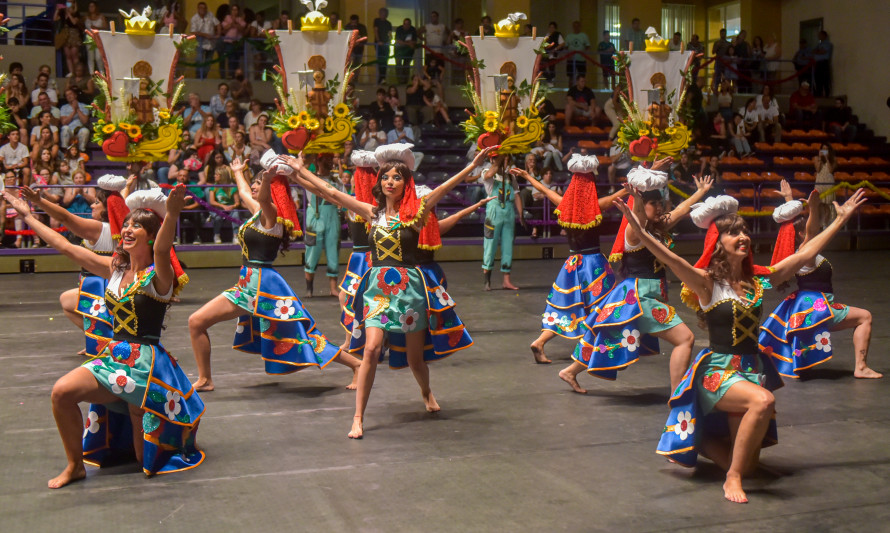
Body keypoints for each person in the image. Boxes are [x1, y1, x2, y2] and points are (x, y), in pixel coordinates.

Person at [643, 190, 867, 503]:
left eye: (744, 230)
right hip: (718, 374)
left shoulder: (758, 280)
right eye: (733, 232)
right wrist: (640, 231)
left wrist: (840, 221)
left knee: (750, 466)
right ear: (717, 242)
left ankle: (703, 439)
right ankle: (730, 479)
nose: (743, 236)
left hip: (750, 371)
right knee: (762, 402)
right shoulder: (707, 283)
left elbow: (804, 255)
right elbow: (672, 259)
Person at [284, 143, 495, 439]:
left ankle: (426, 392)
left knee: (414, 359)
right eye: (385, 177)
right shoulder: (371, 213)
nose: (389, 182)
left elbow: (446, 187)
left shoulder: (416, 212)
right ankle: (358, 417)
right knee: (371, 348)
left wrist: (473, 165)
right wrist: (300, 169)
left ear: (405, 183)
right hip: (378, 291)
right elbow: (332, 193)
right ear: (378, 182)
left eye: (396, 178)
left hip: (409, 291)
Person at [3, 186, 204, 488]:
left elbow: (163, 250)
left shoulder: (158, 277)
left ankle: (144, 424)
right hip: (113, 358)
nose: (126, 229)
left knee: (142, 460)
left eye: (136, 225)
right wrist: (30, 215)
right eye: (126, 224)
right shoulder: (114, 269)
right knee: (61, 393)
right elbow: (67, 247)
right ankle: (75, 466)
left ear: (150, 235)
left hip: (145, 368)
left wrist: (172, 214)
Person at [188, 155, 359, 392]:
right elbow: (245, 193)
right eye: (256, 182)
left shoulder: (272, 216)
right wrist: (238, 171)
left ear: (272, 189)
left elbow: (265, 199)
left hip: (263, 287)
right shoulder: (259, 212)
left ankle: (356, 365)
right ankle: (205, 379)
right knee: (196, 322)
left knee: (302, 335)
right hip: (247, 286)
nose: (255, 186)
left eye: (259, 183)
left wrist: (268, 180)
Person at [560, 164, 711, 393]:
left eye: (660, 203)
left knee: (610, 335)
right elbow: (639, 218)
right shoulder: (635, 231)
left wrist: (701, 192)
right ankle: (678, 393)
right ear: (641, 205)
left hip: (645, 296)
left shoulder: (658, 227)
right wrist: (638, 198)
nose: (659, 207)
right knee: (685, 339)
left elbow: (681, 210)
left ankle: (570, 371)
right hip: (640, 298)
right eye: (654, 203)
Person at [512, 154, 626, 364]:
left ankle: (540, 341)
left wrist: (528, 176)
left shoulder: (564, 203)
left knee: (567, 306)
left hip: (572, 264)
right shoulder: (597, 205)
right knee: (603, 304)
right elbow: (623, 193)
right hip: (593, 264)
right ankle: (593, 347)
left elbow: (545, 191)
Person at [760, 184, 881, 379]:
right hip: (817, 307)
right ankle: (861, 367)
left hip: (806, 305)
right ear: (800, 235)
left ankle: (804, 361)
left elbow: (795, 227)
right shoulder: (806, 253)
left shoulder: (796, 255)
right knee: (864, 316)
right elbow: (811, 231)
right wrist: (814, 210)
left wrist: (789, 200)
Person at [20, 175, 128, 356]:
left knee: (67, 301)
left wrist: (39, 202)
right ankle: (99, 337)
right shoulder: (119, 228)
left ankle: (104, 339)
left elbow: (66, 218)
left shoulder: (99, 228)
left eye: (96, 203)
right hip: (112, 285)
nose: (92, 206)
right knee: (67, 300)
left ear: (106, 208)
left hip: (102, 288)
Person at [477, 153, 523, 290]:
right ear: (492, 160)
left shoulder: (510, 176)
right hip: (494, 212)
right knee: (490, 244)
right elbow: (489, 175)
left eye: (506, 158)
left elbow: (516, 195)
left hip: (508, 211)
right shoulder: (487, 172)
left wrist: (521, 214)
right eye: (499, 159)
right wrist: (498, 160)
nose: (504, 161)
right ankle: (487, 280)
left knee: (508, 245)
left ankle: (506, 280)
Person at [303, 153, 342, 297]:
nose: (329, 162)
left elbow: (343, 196)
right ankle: (309, 288)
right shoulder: (311, 178)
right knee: (312, 251)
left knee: (333, 251)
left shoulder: (336, 179)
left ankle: (333, 288)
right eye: (326, 159)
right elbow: (299, 172)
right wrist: (305, 158)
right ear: (318, 160)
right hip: (316, 217)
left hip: (332, 216)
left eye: (330, 158)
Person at [189, 2, 220, 80]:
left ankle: (204, 77)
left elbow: (218, 24)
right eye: (201, 8)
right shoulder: (194, 18)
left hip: (211, 43)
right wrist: (205, 35)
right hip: (200, 43)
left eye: (204, 8)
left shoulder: (210, 15)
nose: (203, 10)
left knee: (208, 63)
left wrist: (218, 34)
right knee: (199, 60)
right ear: (198, 9)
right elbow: (193, 32)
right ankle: (198, 77)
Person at [813, 142, 838, 227]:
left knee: (829, 204)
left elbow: (831, 170)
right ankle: (821, 224)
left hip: (829, 183)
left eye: (826, 149)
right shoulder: (816, 158)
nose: (824, 151)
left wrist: (827, 159)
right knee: (820, 205)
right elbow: (818, 169)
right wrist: (820, 158)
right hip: (820, 182)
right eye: (823, 149)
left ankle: (828, 224)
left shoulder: (833, 159)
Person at [83, 1, 107, 74]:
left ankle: (102, 72)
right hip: (89, 37)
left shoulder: (101, 16)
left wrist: (97, 28)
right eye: (90, 6)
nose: (91, 8)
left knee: (98, 57)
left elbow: (106, 27)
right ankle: (91, 74)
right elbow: (80, 25)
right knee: (90, 57)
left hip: (98, 37)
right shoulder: (86, 17)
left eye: (93, 6)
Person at [394, 18, 417, 84]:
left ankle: (405, 81)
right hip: (398, 50)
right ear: (403, 24)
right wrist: (408, 44)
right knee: (398, 64)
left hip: (408, 52)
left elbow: (414, 41)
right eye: (405, 24)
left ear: (410, 25)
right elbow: (398, 41)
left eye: (408, 24)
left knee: (406, 66)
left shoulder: (413, 30)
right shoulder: (399, 29)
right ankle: (400, 81)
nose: (406, 25)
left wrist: (409, 43)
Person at [373, 8, 392, 84]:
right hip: (379, 45)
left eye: (384, 13)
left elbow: (390, 33)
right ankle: (381, 78)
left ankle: (383, 78)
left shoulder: (388, 23)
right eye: (382, 13)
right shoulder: (376, 21)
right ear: (379, 13)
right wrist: (378, 41)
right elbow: (375, 30)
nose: (383, 15)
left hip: (386, 45)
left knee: (385, 61)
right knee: (381, 61)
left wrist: (390, 40)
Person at [813, 31, 833, 97]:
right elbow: (813, 51)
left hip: (823, 63)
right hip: (817, 63)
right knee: (818, 79)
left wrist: (817, 51)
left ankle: (827, 95)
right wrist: (817, 51)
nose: (818, 36)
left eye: (820, 35)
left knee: (825, 79)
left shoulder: (828, 44)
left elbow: (823, 51)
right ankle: (819, 94)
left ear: (824, 36)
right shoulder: (819, 44)